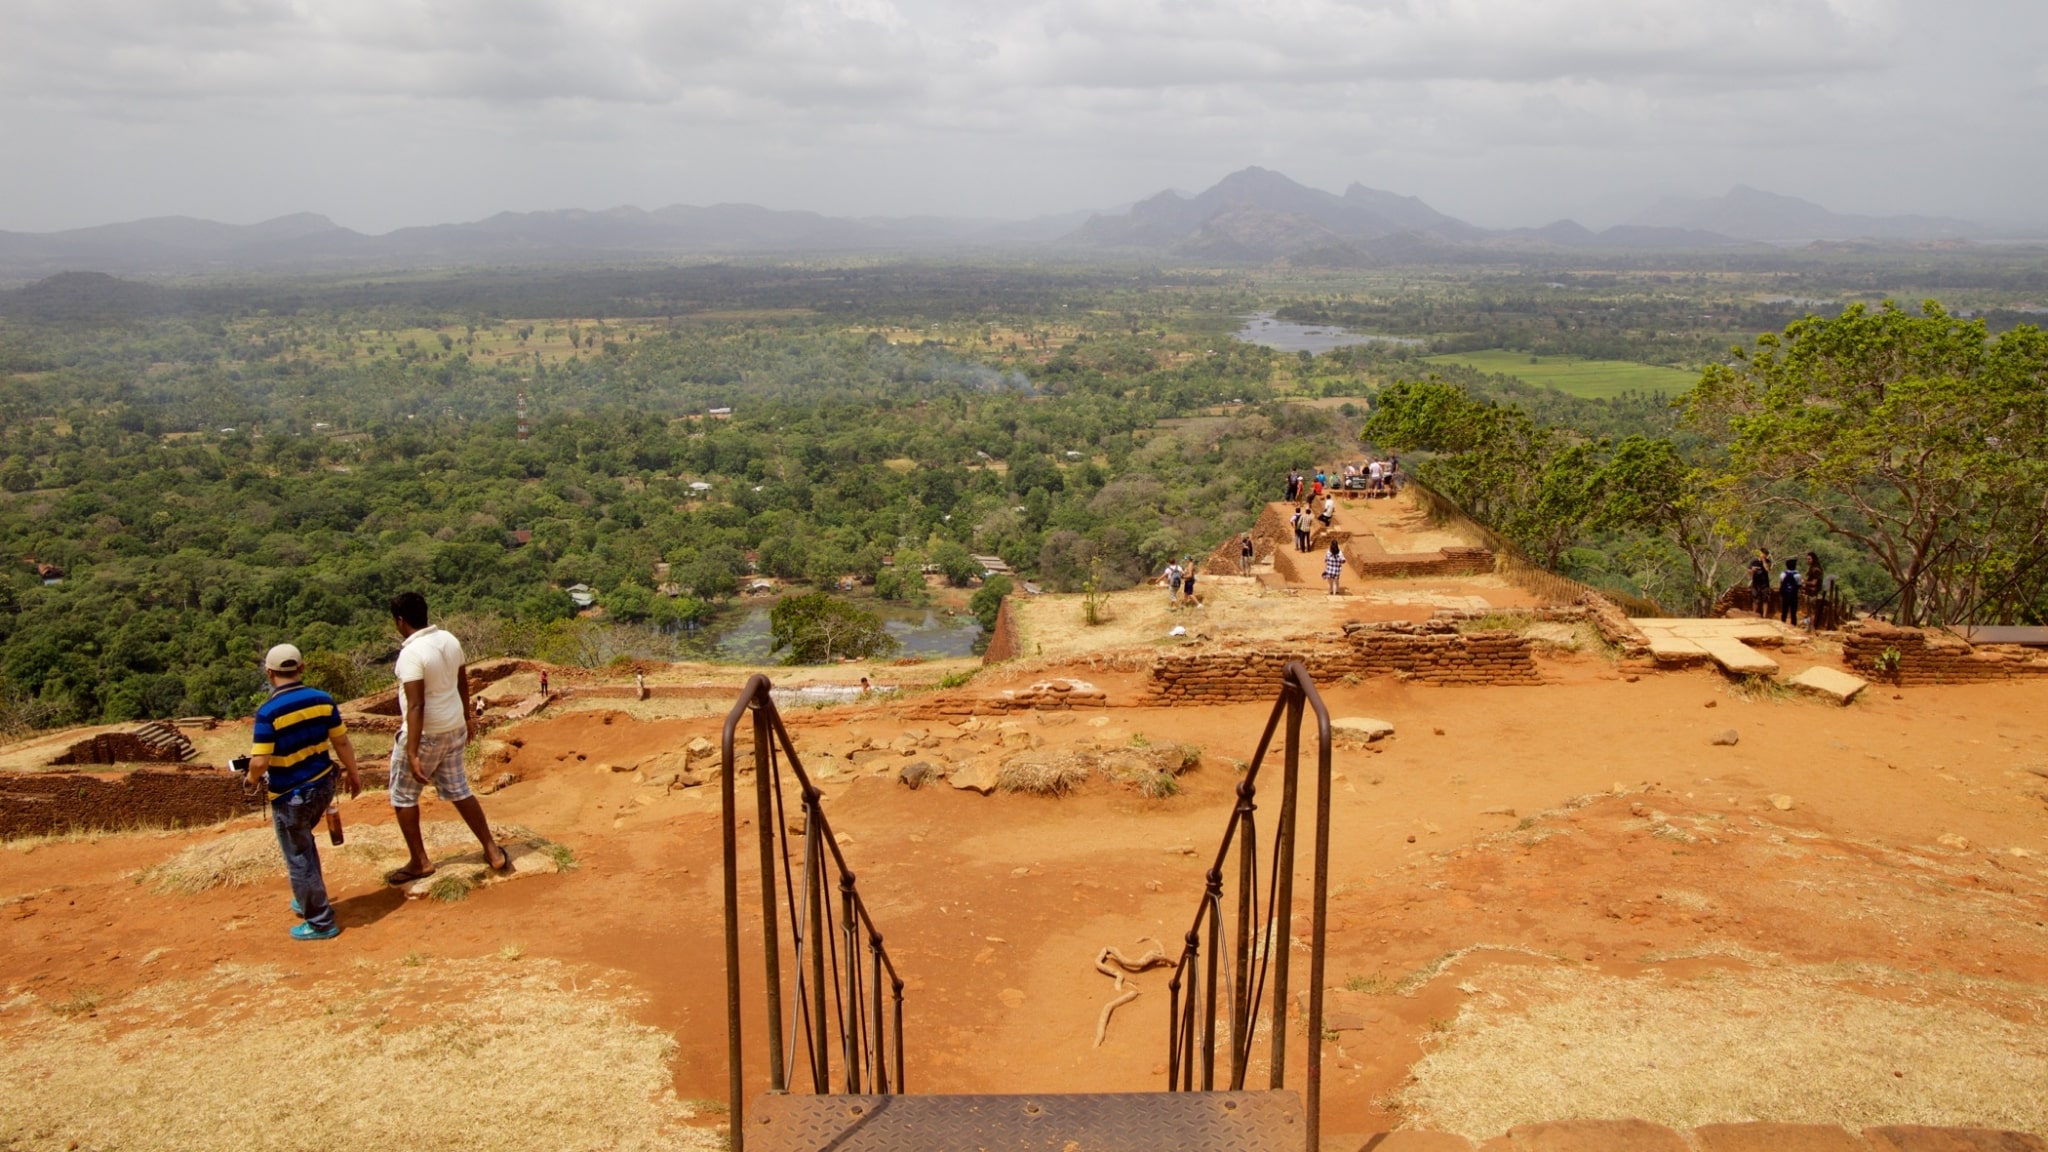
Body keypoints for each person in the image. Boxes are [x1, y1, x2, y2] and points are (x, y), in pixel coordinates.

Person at [384, 592, 511, 885]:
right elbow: (462, 682)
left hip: (427, 733)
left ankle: (420, 862)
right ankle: (492, 850)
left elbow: (416, 705)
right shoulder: (449, 640)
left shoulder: (411, 654)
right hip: (453, 728)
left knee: (403, 797)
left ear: (400, 621)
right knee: (459, 789)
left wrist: (412, 751)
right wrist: (466, 718)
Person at [246, 643, 361, 940]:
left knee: (298, 855)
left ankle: (320, 921)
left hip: (290, 794)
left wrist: (250, 780)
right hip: (323, 786)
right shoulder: (322, 700)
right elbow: (342, 742)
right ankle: (307, 897)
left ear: (269, 673)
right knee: (305, 846)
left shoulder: (268, 712)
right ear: (301, 668)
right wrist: (354, 772)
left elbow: (260, 761)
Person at [1804, 551, 1827, 627]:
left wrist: (1804, 581)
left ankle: (1811, 627)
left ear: (1813, 559)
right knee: (1809, 610)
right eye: (1807, 559)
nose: (1807, 561)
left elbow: (1814, 583)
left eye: (1809, 559)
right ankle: (1809, 626)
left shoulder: (1816, 569)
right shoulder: (1813, 568)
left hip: (1813, 592)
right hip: (1810, 591)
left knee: (1812, 610)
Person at [1777, 558, 1800, 626]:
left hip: (1785, 595)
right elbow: (1799, 585)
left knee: (1784, 610)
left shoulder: (1783, 574)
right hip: (1794, 595)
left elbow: (1781, 584)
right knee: (1793, 611)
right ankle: (1794, 624)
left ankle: (1783, 622)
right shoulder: (1798, 575)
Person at [1747, 550, 1771, 615]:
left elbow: (1767, 569)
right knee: (1755, 599)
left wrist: (1763, 561)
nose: (1763, 555)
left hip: (1765, 583)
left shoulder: (1768, 561)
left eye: (1765, 554)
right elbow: (1748, 571)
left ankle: (1764, 615)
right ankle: (1754, 614)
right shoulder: (1754, 561)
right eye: (1762, 553)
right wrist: (1753, 570)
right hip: (1755, 583)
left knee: (1765, 599)